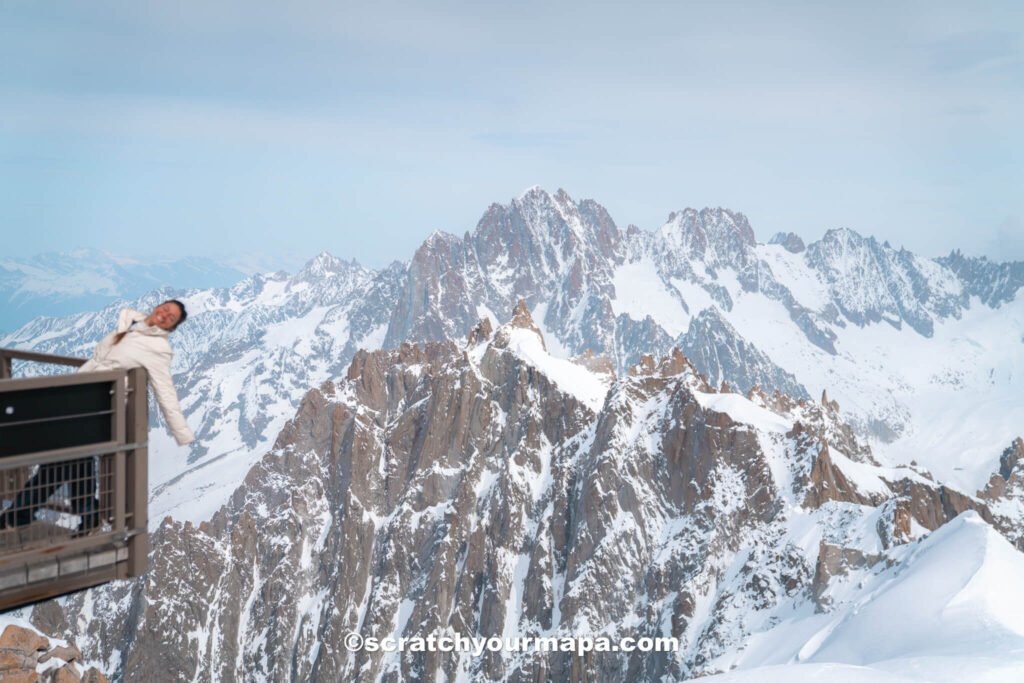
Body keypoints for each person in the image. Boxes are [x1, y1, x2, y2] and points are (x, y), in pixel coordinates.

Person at [1, 300, 195, 535]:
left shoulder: (158, 350)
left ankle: (18, 514)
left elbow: (165, 391)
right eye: (164, 308)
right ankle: (86, 514)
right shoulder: (133, 327)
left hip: (102, 406)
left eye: (171, 317)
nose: (165, 315)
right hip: (80, 397)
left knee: (60, 461)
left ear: (172, 328)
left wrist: (182, 432)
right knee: (73, 461)